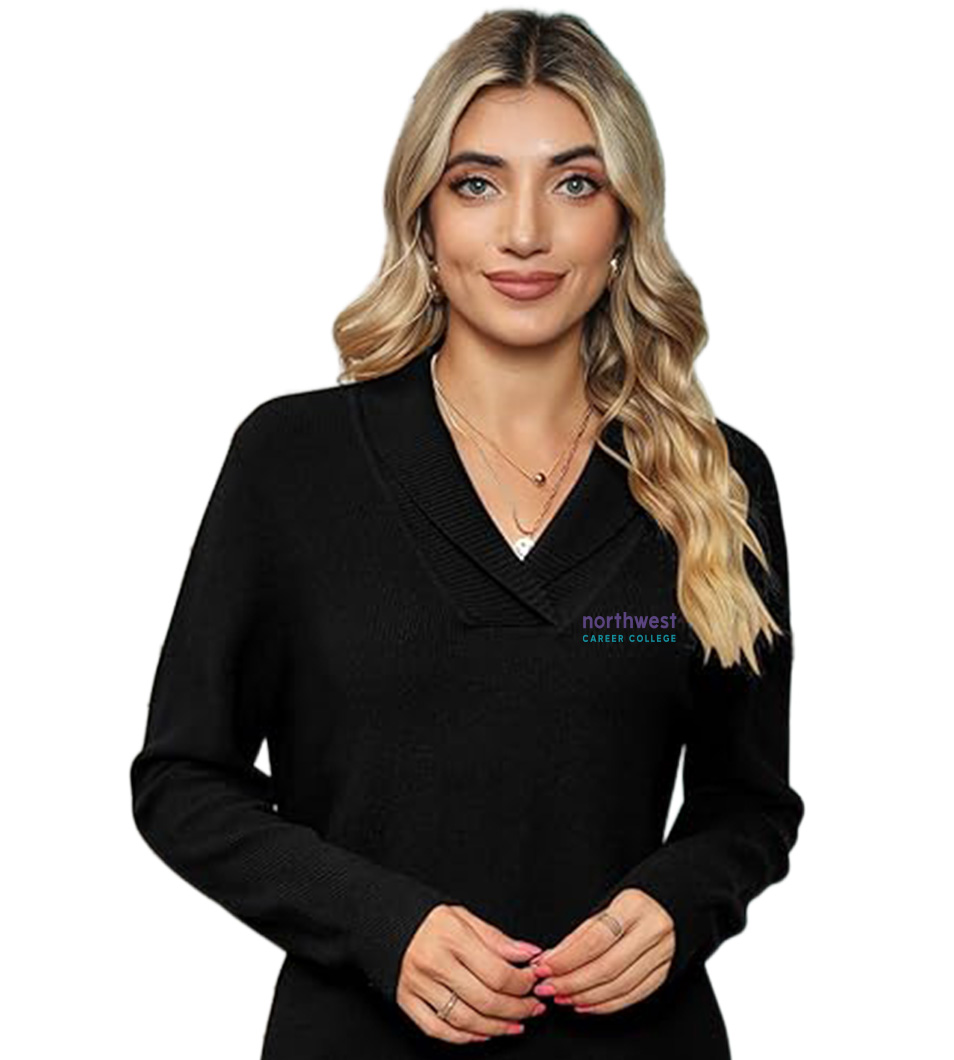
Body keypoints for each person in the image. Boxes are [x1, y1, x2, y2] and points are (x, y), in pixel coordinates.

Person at [130, 10, 804, 1058]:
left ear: (625, 221)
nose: (525, 232)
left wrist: (680, 901)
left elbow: (748, 801)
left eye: (574, 184)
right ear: (425, 217)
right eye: (478, 183)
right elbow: (181, 780)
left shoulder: (716, 478)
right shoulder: (293, 463)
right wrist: (379, 925)